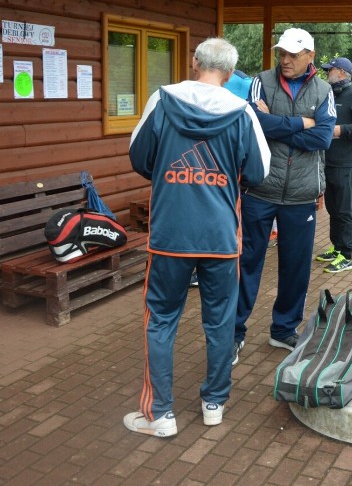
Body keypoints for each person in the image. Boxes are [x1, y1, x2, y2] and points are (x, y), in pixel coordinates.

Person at [124, 38, 270, 437]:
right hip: (220, 237)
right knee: (220, 322)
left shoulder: (162, 100)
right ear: (229, 72)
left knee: (160, 320)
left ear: (194, 63)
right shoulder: (243, 113)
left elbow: (139, 156)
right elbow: (258, 172)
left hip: (169, 234)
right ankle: (213, 405)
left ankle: (160, 416)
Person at [235, 27, 336, 364]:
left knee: (295, 267)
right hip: (259, 189)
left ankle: (283, 330)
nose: (285, 59)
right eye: (282, 53)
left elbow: (323, 138)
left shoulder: (323, 90)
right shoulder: (259, 82)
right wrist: (300, 123)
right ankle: (234, 331)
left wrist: (275, 123)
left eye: (293, 54)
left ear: (311, 55)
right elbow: (252, 124)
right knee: (248, 262)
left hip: (302, 194)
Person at [314, 57, 352, 273]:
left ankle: (347, 256)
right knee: (333, 208)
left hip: (346, 165)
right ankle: (337, 247)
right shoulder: (331, 94)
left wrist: (341, 131)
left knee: (345, 211)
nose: (326, 73)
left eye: (329, 70)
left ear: (341, 72)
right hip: (328, 161)